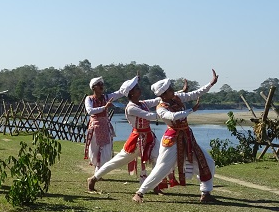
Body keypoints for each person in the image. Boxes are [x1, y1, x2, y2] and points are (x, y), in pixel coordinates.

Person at [87, 77, 187, 193]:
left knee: (158, 159)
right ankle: (93, 179)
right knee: (116, 162)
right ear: (132, 94)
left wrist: (179, 92)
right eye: (137, 88)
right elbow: (149, 116)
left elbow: (158, 99)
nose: (140, 90)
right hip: (137, 140)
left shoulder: (142, 103)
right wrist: (167, 114)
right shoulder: (131, 108)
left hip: (149, 138)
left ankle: (155, 186)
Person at [133, 69, 219, 203]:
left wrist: (211, 84)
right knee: (162, 168)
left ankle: (205, 193)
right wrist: (191, 110)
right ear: (164, 94)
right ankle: (140, 192)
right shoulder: (161, 108)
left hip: (187, 136)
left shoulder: (176, 98)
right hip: (172, 140)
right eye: (170, 89)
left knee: (208, 162)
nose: (173, 90)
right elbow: (172, 117)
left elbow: (195, 93)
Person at [84, 76, 123, 173]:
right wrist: (104, 107)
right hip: (95, 127)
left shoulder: (106, 97)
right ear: (93, 87)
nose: (101, 86)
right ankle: (97, 168)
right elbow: (90, 111)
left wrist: (134, 81)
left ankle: (99, 171)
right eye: (99, 85)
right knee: (94, 150)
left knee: (106, 149)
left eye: (102, 84)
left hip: (105, 126)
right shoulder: (89, 99)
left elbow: (119, 93)